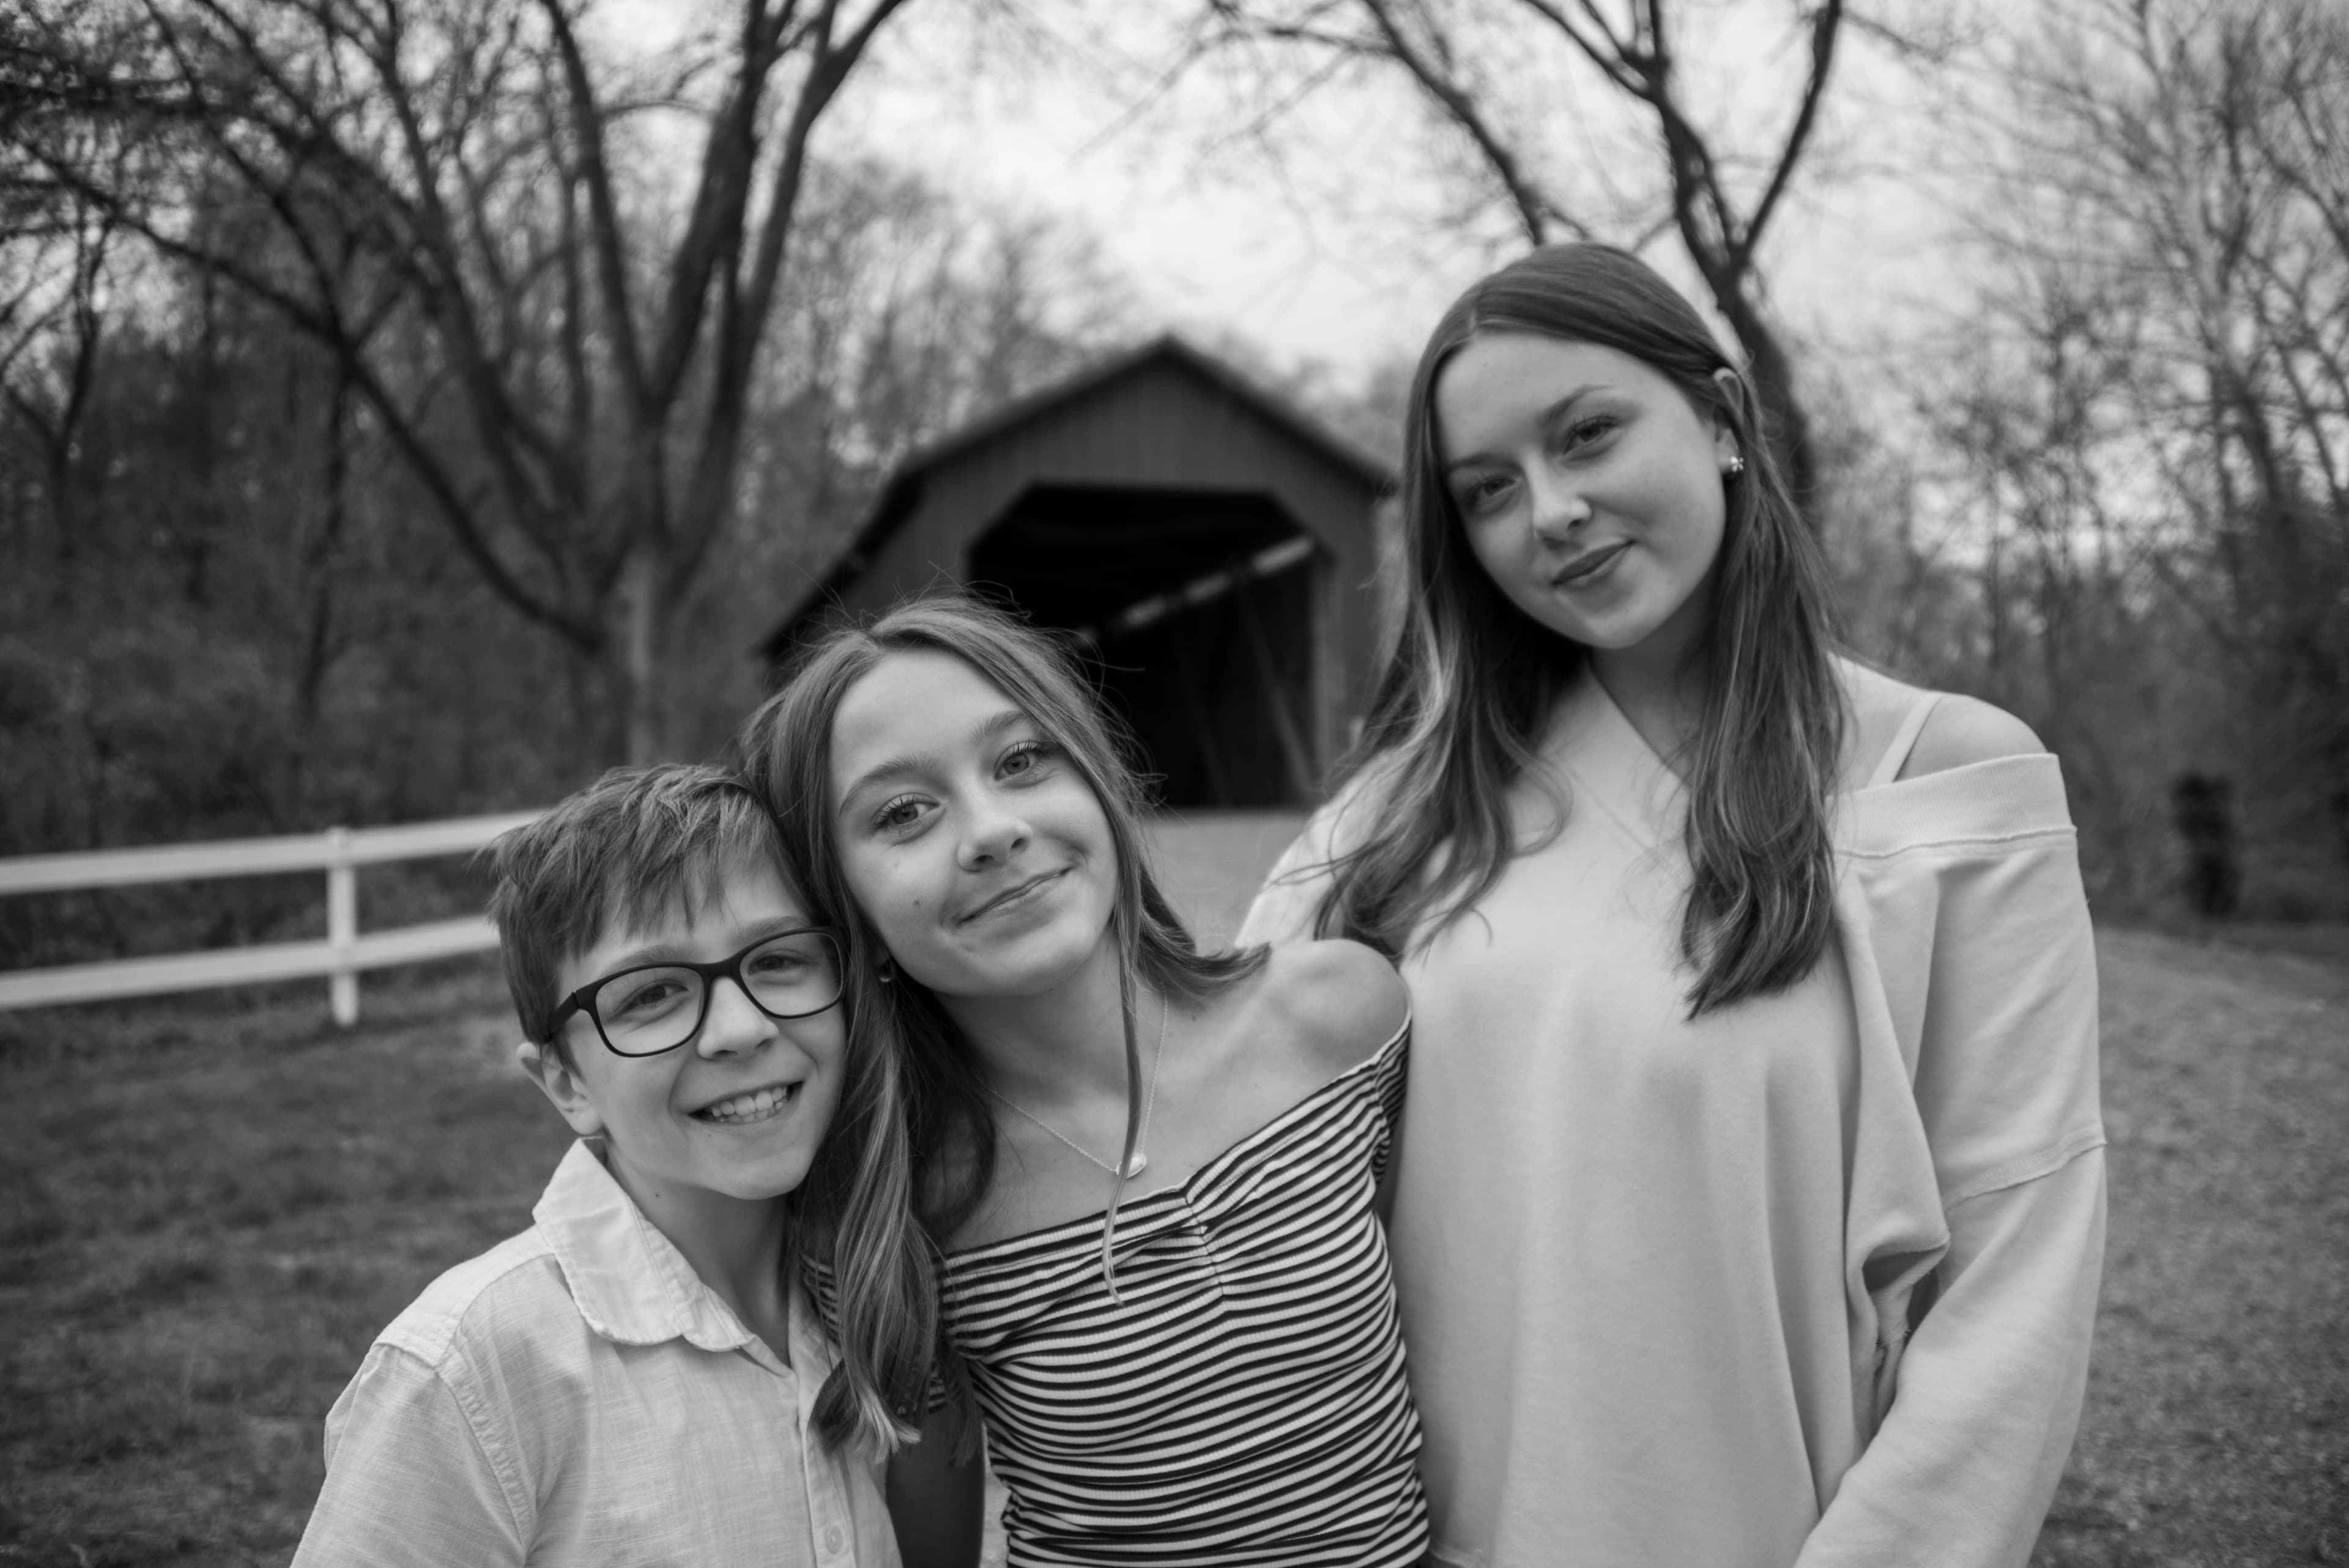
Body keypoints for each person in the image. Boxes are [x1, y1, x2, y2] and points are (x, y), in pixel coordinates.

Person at [1238, 243, 2106, 1568]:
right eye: (1489, 491)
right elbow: (1192, 1114)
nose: (1553, 510)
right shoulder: (1393, 826)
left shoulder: (1936, 780)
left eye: (1587, 435)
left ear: (1720, 418)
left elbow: (2014, 1288)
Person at [735, 595, 1431, 1568]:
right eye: (902, 813)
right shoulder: (896, 1201)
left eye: (1021, 761)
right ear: (847, 908)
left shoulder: (1339, 1018)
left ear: (1098, 782)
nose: (991, 830)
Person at [290, 764, 915, 1566]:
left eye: (779, 959)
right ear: (568, 1083)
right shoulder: (473, 1373)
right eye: (651, 994)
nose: (739, 1029)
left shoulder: (877, 1296)